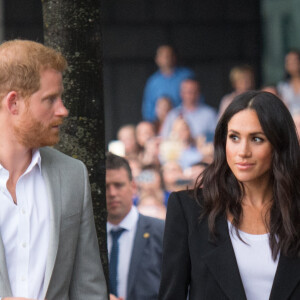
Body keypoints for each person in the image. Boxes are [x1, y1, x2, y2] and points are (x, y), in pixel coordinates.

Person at [159, 91, 300, 299]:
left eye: (257, 139)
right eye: (234, 137)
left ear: (279, 145)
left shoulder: (296, 209)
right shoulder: (188, 209)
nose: (243, 151)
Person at [0, 40, 107, 299]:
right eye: (49, 100)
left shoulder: (72, 175)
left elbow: (88, 287)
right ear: (14, 103)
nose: (63, 110)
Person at [106, 152, 164, 300]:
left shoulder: (162, 232)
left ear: (133, 187)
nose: (112, 193)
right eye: (105, 186)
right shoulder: (88, 236)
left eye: (118, 185)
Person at [142, 45, 194, 122]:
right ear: (157, 59)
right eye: (163, 56)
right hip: (160, 123)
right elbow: (148, 109)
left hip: (185, 120)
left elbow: (196, 99)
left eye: (169, 55)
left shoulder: (186, 75)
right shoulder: (153, 81)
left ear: (174, 57)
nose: (166, 58)